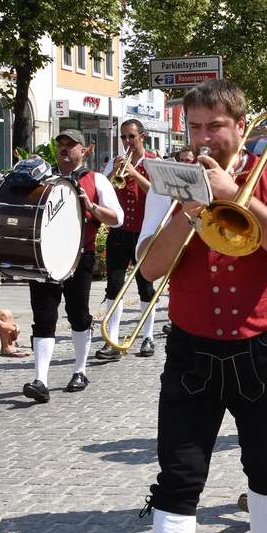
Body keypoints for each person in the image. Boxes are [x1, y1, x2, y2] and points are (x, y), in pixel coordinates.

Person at [123, 80, 267, 533]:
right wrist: (186, 208)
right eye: (195, 126)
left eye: (214, 126)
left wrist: (238, 197)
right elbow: (149, 269)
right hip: (192, 349)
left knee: (265, 467)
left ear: (240, 127)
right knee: (178, 474)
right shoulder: (168, 183)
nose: (203, 137)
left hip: (261, 347)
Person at [22, 132, 121, 398]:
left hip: (81, 256)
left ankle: (80, 370)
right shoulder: (44, 178)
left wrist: (92, 207)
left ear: (84, 151)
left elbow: (117, 218)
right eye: (61, 145)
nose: (64, 149)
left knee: (78, 314)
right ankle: (40, 379)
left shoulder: (95, 179)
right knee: (43, 316)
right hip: (45, 259)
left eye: (70, 145)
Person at [98, 119, 160, 359]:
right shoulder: (115, 164)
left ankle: (147, 337)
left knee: (146, 286)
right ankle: (111, 340)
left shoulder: (154, 163)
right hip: (119, 233)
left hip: (144, 234)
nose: (126, 142)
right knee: (114, 286)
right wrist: (115, 171)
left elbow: (159, 194)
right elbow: (104, 189)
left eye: (131, 137)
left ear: (142, 137)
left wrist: (135, 172)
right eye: (123, 137)